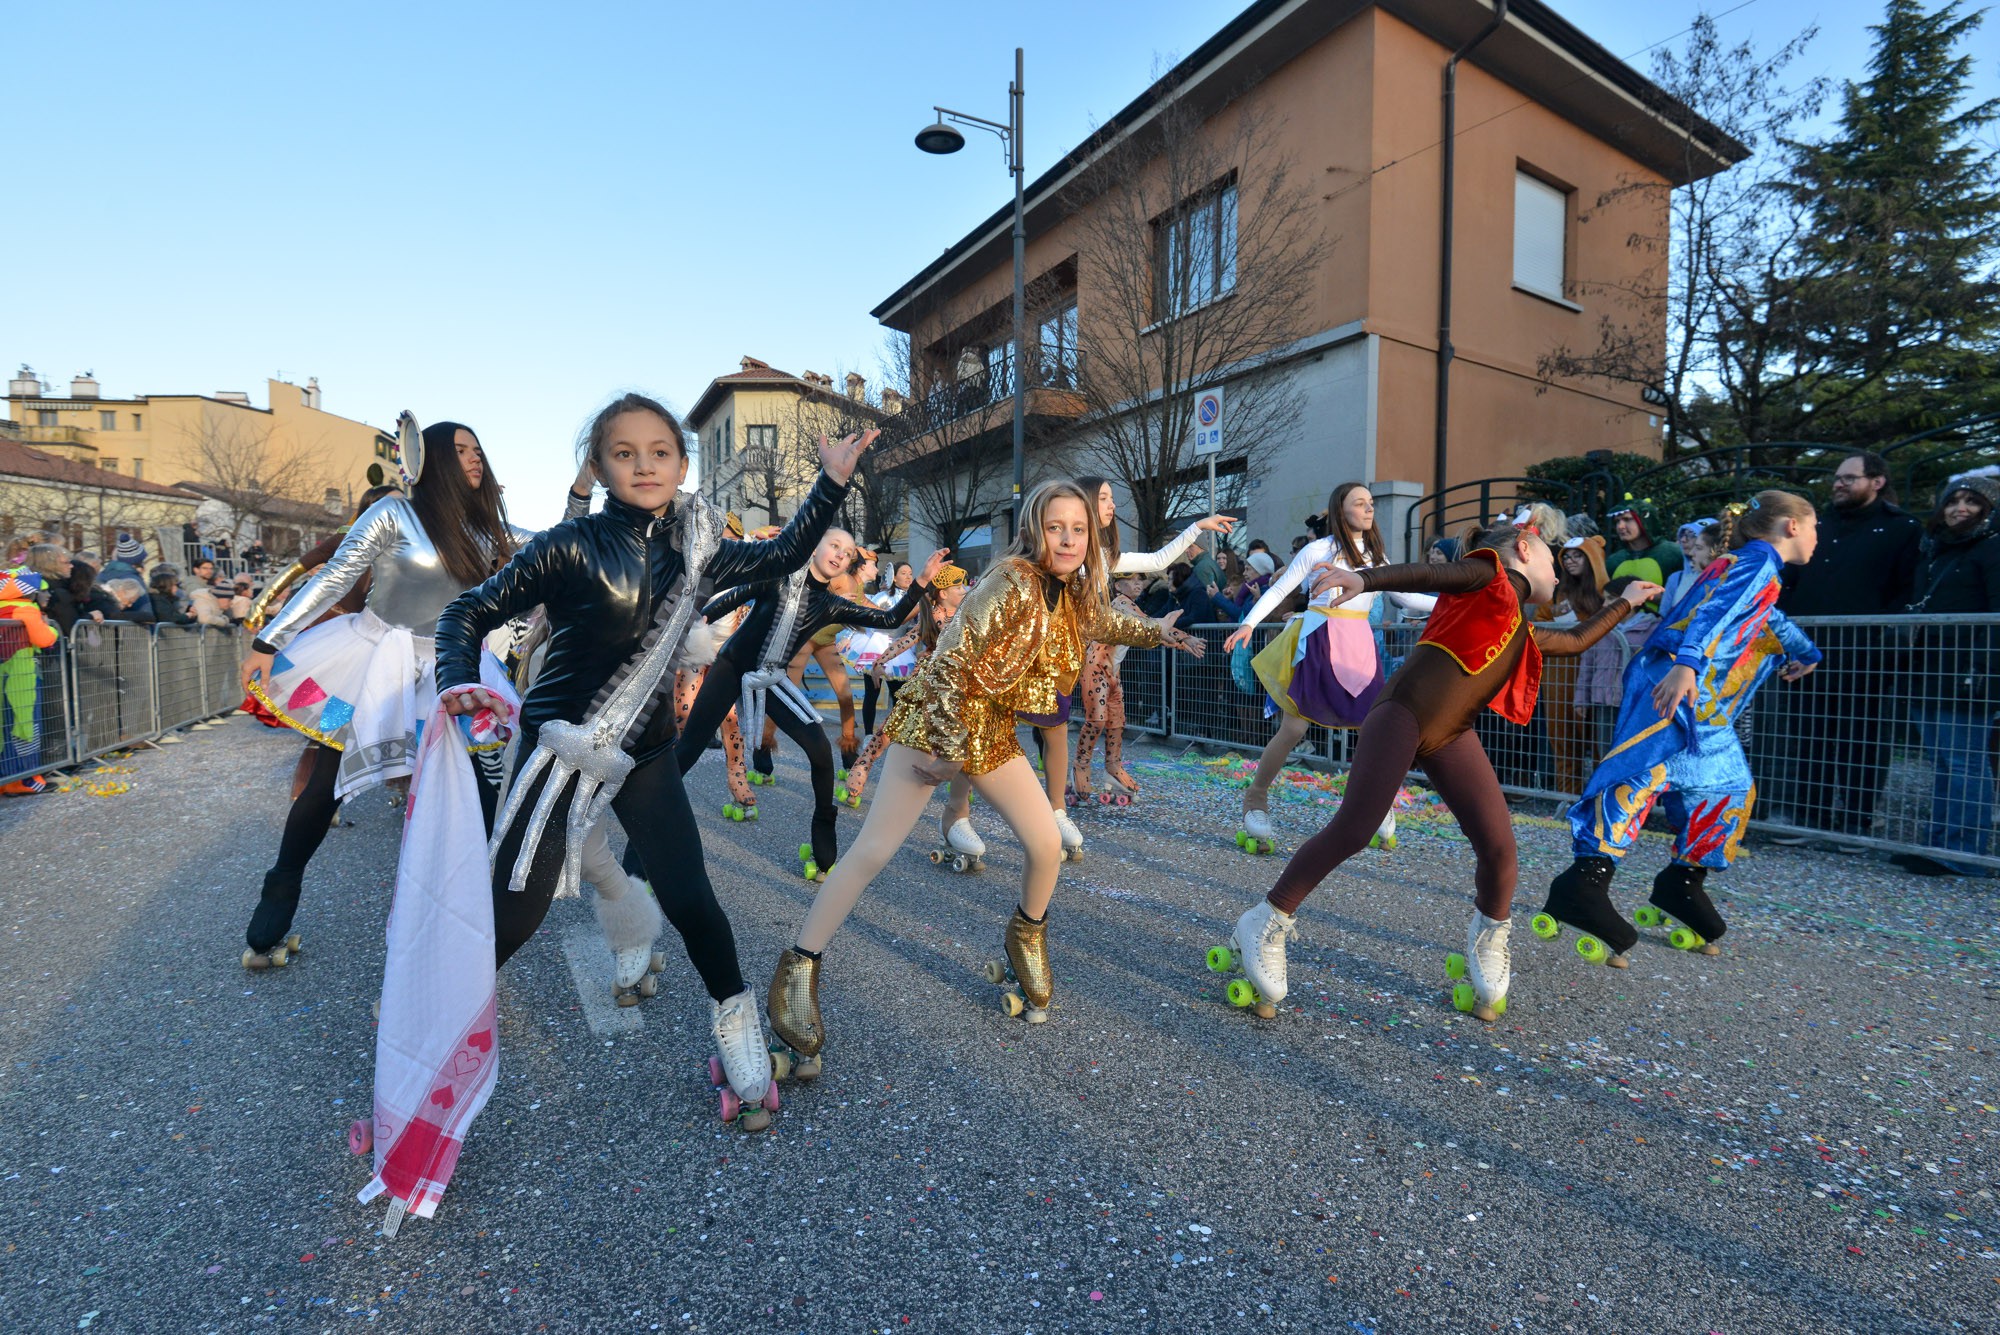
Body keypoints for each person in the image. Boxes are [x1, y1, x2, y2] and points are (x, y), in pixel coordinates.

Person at [436, 394, 872, 1124]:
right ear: (600, 464)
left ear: (681, 462)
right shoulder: (567, 545)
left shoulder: (700, 543)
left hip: (644, 753)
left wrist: (830, 483)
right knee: (513, 915)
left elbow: (782, 555)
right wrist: (455, 677)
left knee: (693, 899)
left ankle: (737, 1027)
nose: (644, 465)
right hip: (559, 751)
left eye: (660, 452)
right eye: (625, 452)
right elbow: (467, 611)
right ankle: (430, 1039)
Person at [765, 480, 1206, 1068]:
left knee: (1045, 844)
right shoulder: (1011, 578)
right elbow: (951, 661)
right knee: (872, 851)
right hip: (935, 723)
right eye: (1056, 527)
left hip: (990, 731)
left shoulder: (1071, 589)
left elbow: (1102, 620)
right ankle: (797, 971)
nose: (1068, 539)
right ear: (1034, 529)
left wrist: (1157, 632)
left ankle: (1025, 938)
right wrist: (947, 754)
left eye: (1078, 529)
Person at [1218, 520, 1659, 1024]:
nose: (1558, 575)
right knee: (1355, 829)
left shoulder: (1518, 628)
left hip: (1452, 735)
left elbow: (1578, 639)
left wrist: (1627, 603)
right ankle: (1265, 920)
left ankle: (1489, 936)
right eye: (1550, 561)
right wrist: (1364, 579)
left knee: (1500, 845)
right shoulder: (1487, 576)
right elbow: (1430, 573)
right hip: (1402, 715)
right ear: (1522, 549)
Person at [236, 416, 522, 971]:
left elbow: (551, 554)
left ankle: (464, 928)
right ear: (432, 461)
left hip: (448, 669)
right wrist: (270, 639)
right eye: (460, 449)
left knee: (474, 790)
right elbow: (335, 576)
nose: (474, 458)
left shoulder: (486, 530)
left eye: (477, 450)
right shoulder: (393, 513)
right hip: (368, 664)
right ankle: (276, 902)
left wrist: (585, 493)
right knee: (327, 782)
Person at [1542, 492, 1821, 964]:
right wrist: (1687, 664)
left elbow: (1765, 617)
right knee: (1639, 774)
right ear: (1792, 526)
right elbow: (1714, 613)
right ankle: (1583, 885)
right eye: (1814, 527)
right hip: (1677, 684)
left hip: (1696, 696)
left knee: (1726, 788)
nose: (1817, 538)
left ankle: (1681, 882)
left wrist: (1806, 652)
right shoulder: (1757, 562)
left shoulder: (1749, 564)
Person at [673, 534, 946, 883]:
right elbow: (730, 599)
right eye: (835, 546)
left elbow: (891, 619)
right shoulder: (777, 578)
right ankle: (643, 851)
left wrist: (921, 581)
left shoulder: (831, 604)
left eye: (848, 553)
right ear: (815, 548)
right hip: (730, 668)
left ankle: (823, 847)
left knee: (820, 751)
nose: (841, 554)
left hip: (771, 678)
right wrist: (697, 624)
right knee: (688, 750)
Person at [1221, 483, 1436, 853]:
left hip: (1359, 647)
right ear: (1340, 509)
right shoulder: (1317, 550)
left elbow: (1405, 597)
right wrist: (1249, 623)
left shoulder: (1376, 556)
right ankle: (1255, 798)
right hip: (1319, 640)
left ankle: (1374, 804)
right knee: (1294, 728)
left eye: (1371, 503)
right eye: (1360, 503)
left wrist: (1453, 600)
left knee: (1374, 730)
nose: (1369, 509)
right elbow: (1280, 589)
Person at [1766, 451, 1923, 843]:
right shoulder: (1818, 524)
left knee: (1861, 738)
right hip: (1807, 649)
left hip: (1866, 653)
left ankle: (1857, 822)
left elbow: (1907, 589)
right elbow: (1789, 579)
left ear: (1877, 482)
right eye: (1837, 477)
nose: (1838, 483)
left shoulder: (1902, 528)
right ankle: (1810, 816)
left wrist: (1882, 637)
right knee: (1808, 735)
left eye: (1849, 478)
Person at [1063, 477, 1234, 810]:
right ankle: (1078, 770)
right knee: (1094, 720)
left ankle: (1112, 767)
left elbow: (1157, 562)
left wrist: (1197, 526)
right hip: (1084, 660)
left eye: (1112, 497)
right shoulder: (1073, 558)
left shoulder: (1104, 559)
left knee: (1116, 721)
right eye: (1104, 497)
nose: (1112, 505)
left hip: (1110, 668)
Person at [1894, 473, 1999, 876]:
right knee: (1941, 761)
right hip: (1928, 668)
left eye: (1971, 501)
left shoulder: (1992, 548)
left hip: (1968, 672)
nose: (1960, 508)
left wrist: (1984, 669)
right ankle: (1939, 844)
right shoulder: (1934, 548)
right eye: (1953, 501)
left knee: (1964, 762)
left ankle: (1965, 853)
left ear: (1989, 509)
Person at [1543, 535, 1612, 796]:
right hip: (1560, 672)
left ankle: (1599, 798)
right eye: (1567, 557)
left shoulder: (1605, 593)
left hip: (1596, 673)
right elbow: (1541, 621)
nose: (1571, 561)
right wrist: (1557, 619)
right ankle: (1567, 796)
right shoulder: (1556, 591)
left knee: (1599, 739)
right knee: (1562, 737)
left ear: (1592, 559)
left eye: (1578, 556)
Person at [1605, 495, 1683, 586]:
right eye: (1617, 521)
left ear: (1645, 520)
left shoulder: (1674, 554)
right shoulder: (1614, 561)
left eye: (1627, 519)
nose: (1620, 526)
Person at [1661, 519, 1722, 612]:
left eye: (1691, 535)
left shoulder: (1727, 583)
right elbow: (1664, 616)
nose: (1683, 540)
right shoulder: (1676, 579)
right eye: (1682, 535)